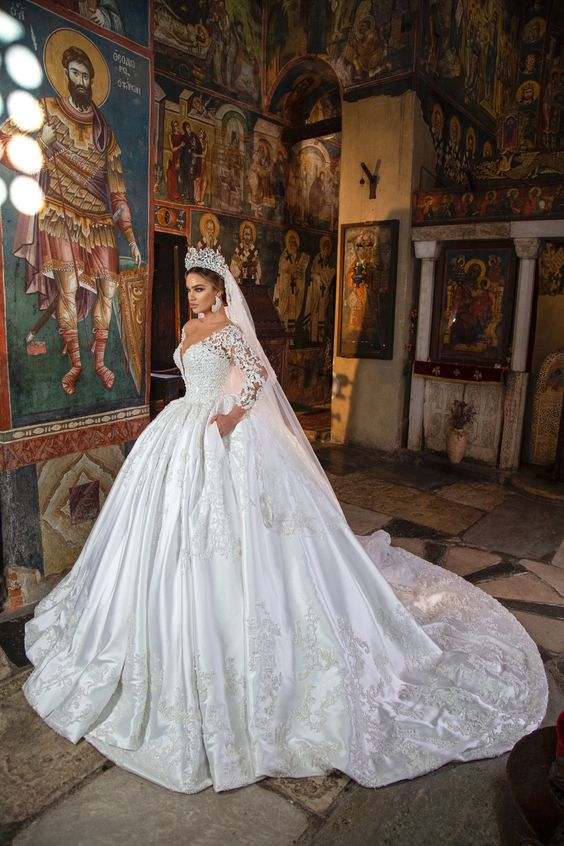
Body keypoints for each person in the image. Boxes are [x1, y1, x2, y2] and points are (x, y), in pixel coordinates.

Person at [22, 247, 547, 795]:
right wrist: (190, 411)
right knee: (158, 535)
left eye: (200, 289)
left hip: (218, 433)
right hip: (179, 430)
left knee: (247, 541)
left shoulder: (229, 330)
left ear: (220, 291)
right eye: (189, 290)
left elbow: (254, 380)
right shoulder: (189, 326)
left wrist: (226, 422)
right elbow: (192, 375)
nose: (193, 298)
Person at [0, 44, 141, 395]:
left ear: (93, 80)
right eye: (75, 74)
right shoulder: (45, 111)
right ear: (66, 75)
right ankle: (77, 363)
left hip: (98, 220)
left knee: (107, 289)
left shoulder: (105, 133)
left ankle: (99, 361)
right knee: (69, 288)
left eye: (85, 75)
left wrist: (131, 237)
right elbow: (3, 141)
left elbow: (118, 190)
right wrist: (40, 146)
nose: (80, 80)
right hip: (59, 214)